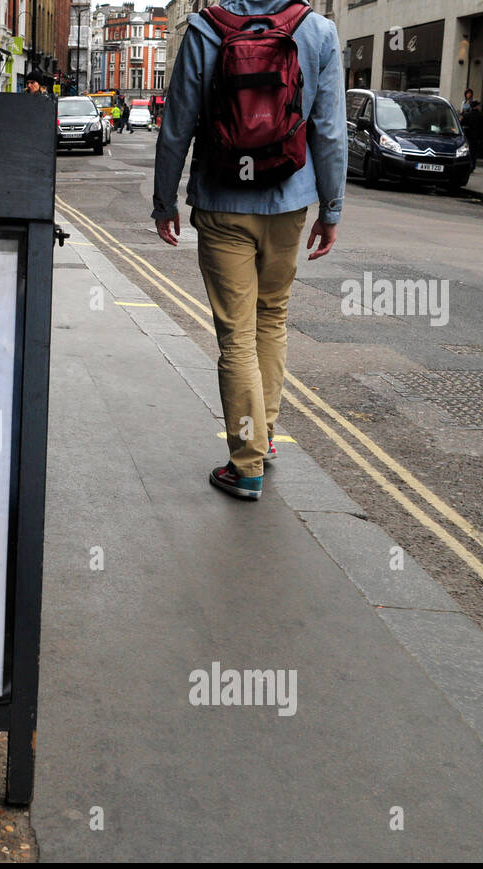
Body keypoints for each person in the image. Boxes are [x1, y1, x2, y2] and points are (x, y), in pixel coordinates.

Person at [150, 0, 346, 501]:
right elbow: (329, 129)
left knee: (235, 337)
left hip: (222, 200)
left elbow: (177, 123)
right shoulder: (318, 31)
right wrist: (331, 208)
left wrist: (163, 200)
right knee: (271, 318)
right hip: (288, 201)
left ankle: (247, 463)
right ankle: (265, 437)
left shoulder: (204, 27)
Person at [461, 100, 483, 171]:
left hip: (468, 136)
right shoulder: (481, 115)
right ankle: (473, 165)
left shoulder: (467, 115)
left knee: (469, 151)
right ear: (477, 106)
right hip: (477, 137)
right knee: (474, 152)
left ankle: (469, 165)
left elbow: (462, 124)